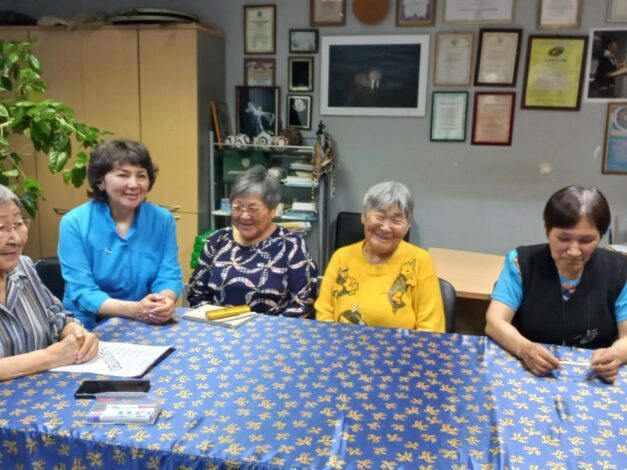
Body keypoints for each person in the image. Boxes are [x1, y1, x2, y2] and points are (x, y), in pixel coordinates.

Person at [485, 186, 627, 383]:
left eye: (586, 240)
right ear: (547, 231)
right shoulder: (521, 262)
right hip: (527, 371)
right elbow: (495, 321)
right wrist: (524, 349)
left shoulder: (620, 270)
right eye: (563, 239)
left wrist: (616, 355)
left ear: (600, 237)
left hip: (591, 377)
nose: (574, 251)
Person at [58, 140, 183, 330]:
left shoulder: (162, 219)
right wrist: (135, 310)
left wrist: (163, 301)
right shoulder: (74, 222)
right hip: (86, 325)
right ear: (100, 181)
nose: (134, 184)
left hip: (145, 321)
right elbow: (82, 290)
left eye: (141, 175)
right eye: (123, 175)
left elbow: (169, 273)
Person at [188, 165, 317, 317]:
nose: (244, 216)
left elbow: (302, 304)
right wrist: (215, 320)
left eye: (253, 209)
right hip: (218, 326)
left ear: (273, 210)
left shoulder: (292, 245)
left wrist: (262, 328)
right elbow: (196, 293)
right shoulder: (217, 240)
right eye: (237, 207)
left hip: (272, 329)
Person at [315, 182, 445, 331]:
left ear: (407, 226)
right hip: (342, 343)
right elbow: (324, 314)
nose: (386, 227)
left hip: (402, 346)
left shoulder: (420, 261)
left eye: (396, 220)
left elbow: (432, 329)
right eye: (380, 216)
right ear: (364, 215)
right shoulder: (341, 257)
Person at [0, 185, 98, 382]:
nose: (16, 239)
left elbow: (56, 316)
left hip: (43, 393)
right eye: (1, 228)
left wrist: (77, 334)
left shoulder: (23, 267)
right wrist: (49, 357)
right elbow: (50, 357)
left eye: (18, 223)